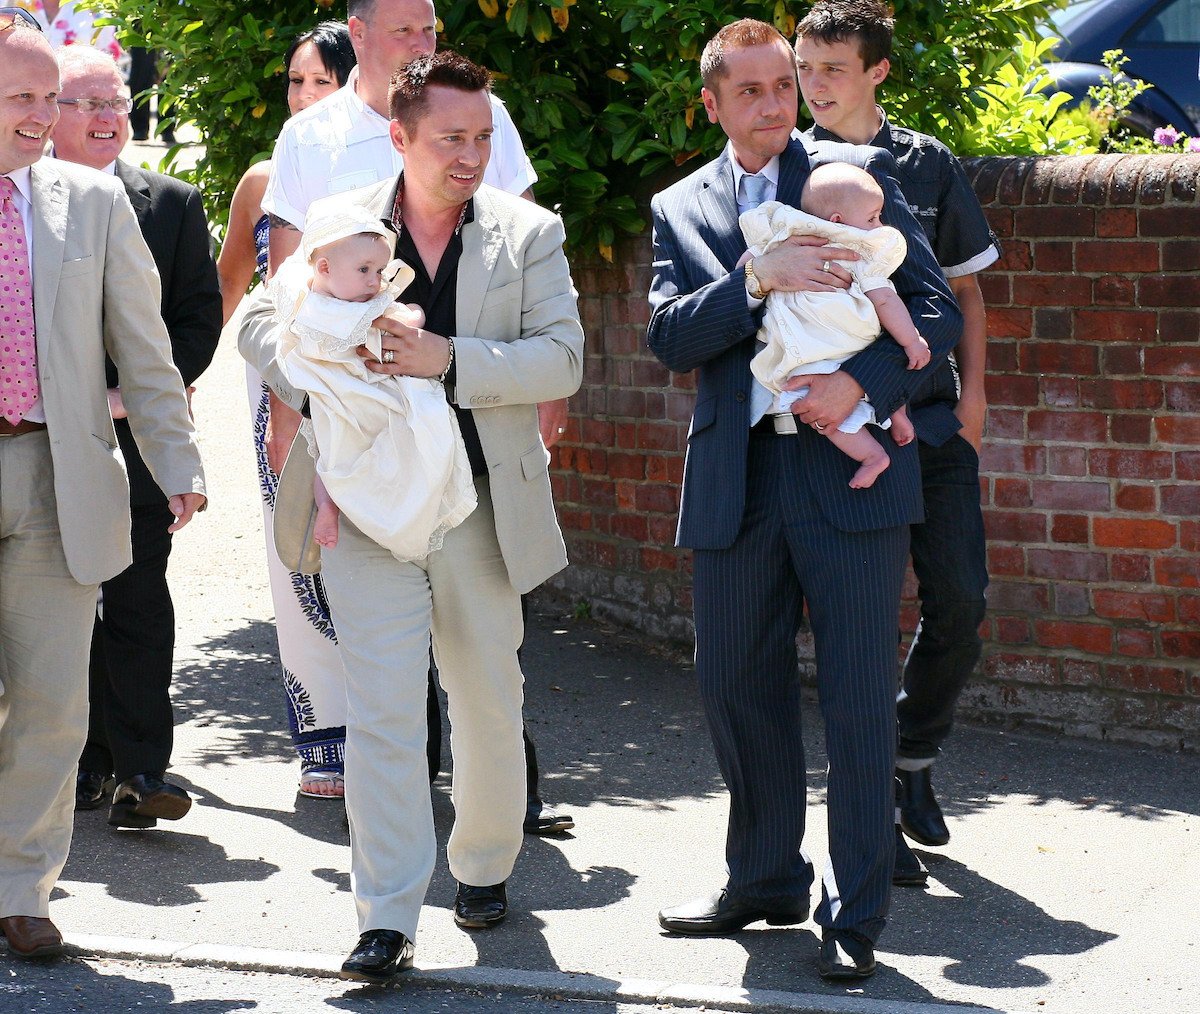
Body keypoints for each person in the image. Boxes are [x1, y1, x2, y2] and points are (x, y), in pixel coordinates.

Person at [239, 50, 584, 983]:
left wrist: (448, 358)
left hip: (479, 505)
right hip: (358, 511)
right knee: (385, 714)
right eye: (450, 139)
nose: (470, 155)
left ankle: (483, 864)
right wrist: (324, 358)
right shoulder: (344, 220)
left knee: (485, 701)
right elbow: (259, 322)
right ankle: (387, 915)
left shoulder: (529, 232)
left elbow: (561, 359)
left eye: (483, 136)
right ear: (399, 136)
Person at [645, 19, 961, 980]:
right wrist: (753, 280)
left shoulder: (848, 182)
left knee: (860, 696)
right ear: (713, 104)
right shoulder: (680, 205)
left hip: (847, 471)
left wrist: (860, 388)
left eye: (783, 86)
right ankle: (764, 879)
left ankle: (856, 910)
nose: (775, 104)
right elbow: (669, 339)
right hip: (738, 478)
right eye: (750, 91)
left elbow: (933, 309)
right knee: (736, 685)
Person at [0, 16, 205, 961]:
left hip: (62, 473)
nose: (45, 117)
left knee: (52, 701)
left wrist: (179, 461)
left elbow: (145, 348)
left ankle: (21, 888)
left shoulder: (91, 202)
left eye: (53, 97)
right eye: (23, 98)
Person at [795, 0, 998, 886]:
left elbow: (965, 294)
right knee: (863, 619)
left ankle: (912, 755)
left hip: (935, 421)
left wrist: (980, 396)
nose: (814, 85)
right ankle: (870, 808)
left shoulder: (925, 163)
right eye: (807, 67)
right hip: (840, 433)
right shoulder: (787, 163)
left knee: (961, 601)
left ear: (877, 71)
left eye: (832, 68)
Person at [48, 45, 221, 828]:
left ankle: (143, 768)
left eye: (116, 101)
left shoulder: (173, 203)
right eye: (86, 103)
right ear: (45, 112)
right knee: (56, 600)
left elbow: (194, 318)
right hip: (41, 441)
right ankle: (80, 763)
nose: (109, 117)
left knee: (137, 596)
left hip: (137, 438)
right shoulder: (22, 202)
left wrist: (130, 397)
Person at [217, 20, 357, 800]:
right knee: (296, 547)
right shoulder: (261, 180)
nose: (304, 98)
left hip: (367, 381)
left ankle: (393, 724)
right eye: (295, 83)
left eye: (321, 83)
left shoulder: (383, 171)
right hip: (279, 382)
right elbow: (226, 289)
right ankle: (322, 733)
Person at [271, 203, 475, 558]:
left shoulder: (305, 300)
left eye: (380, 269)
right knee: (402, 439)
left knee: (333, 456)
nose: (374, 281)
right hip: (357, 395)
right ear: (324, 267)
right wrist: (416, 312)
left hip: (332, 402)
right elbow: (406, 323)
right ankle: (390, 508)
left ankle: (331, 507)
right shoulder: (355, 310)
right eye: (364, 269)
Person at [742, 163, 931, 489]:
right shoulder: (858, 250)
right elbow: (885, 300)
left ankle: (873, 456)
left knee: (825, 416)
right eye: (873, 218)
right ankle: (895, 414)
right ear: (838, 221)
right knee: (857, 374)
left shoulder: (784, 231)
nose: (879, 224)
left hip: (814, 345)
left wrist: (756, 273)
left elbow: (748, 264)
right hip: (850, 335)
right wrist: (911, 340)